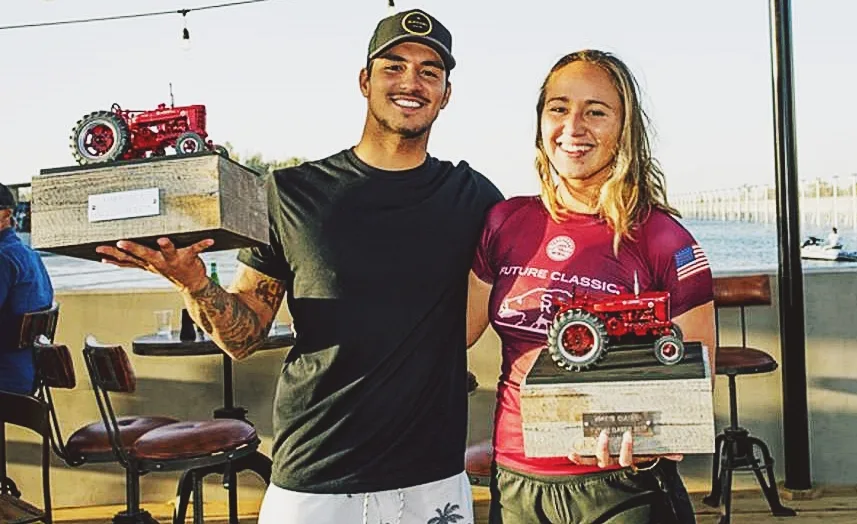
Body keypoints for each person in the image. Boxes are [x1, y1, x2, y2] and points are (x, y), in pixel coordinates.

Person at [97, 7, 503, 524]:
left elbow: (466, 329)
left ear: (446, 93)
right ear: (365, 81)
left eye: (430, 71)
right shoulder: (292, 194)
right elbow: (243, 338)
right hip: (315, 476)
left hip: (430, 477)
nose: (411, 82)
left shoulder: (474, 199)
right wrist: (193, 281)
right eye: (394, 66)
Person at [467, 50, 716, 523]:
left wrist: (645, 441)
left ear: (625, 128)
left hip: (623, 486)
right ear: (540, 121)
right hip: (517, 480)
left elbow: (692, 381)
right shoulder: (504, 222)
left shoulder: (665, 239)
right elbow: (451, 333)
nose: (573, 126)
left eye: (596, 111)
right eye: (558, 108)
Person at [0, 183, 54, 395]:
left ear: (5, 214)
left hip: (7, 378)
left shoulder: (4, 258)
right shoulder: (28, 253)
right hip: (29, 373)